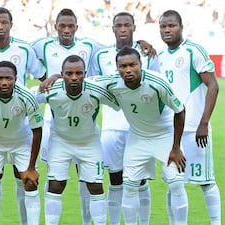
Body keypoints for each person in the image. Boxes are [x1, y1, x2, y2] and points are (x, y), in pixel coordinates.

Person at [31, 9, 156, 224]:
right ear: (56, 27)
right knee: (55, 182)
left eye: (79, 73)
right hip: (56, 128)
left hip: (93, 137)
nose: (67, 30)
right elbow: (25, 90)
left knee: (97, 183)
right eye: (62, 26)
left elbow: (120, 95)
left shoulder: (92, 53)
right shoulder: (42, 48)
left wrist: (141, 42)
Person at [94, 46, 188, 225]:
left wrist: (176, 147)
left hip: (164, 136)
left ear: (141, 64)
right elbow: (85, 80)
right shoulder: (113, 82)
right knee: (129, 186)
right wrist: (55, 78)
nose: (128, 70)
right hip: (137, 138)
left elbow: (180, 110)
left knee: (176, 183)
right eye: (123, 66)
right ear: (117, 68)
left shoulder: (157, 82)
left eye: (132, 65)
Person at [0, 7, 46, 225]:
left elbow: (42, 74)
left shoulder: (24, 49)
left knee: (27, 181)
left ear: (11, 24)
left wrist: (54, 77)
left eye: (5, 22)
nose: (1, 27)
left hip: (20, 126)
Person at [33, 55, 119, 225]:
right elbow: (26, 98)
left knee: (95, 186)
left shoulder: (96, 90)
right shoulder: (51, 89)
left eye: (78, 73)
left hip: (89, 143)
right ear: (62, 74)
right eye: (69, 73)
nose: (74, 78)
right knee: (56, 185)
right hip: (60, 142)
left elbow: (119, 102)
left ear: (85, 74)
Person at [91, 12, 159, 225]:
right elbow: (93, 87)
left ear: (134, 28)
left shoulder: (148, 53)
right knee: (115, 179)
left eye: (126, 25)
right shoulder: (101, 56)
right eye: (118, 25)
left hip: (140, 128)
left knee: (140, 181)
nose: (122, 29)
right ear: (112, 29)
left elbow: (157, 86)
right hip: (111, 127)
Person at [158, 10, 221, 225]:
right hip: (170, 132)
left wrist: (204, 123)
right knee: (173, 182)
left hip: (195, 130)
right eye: (163, 27)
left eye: (171, 26)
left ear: (181, 27)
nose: (167, 30)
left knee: (206, 181)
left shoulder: (193, 51)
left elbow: (213, 85)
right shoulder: (160, 58)